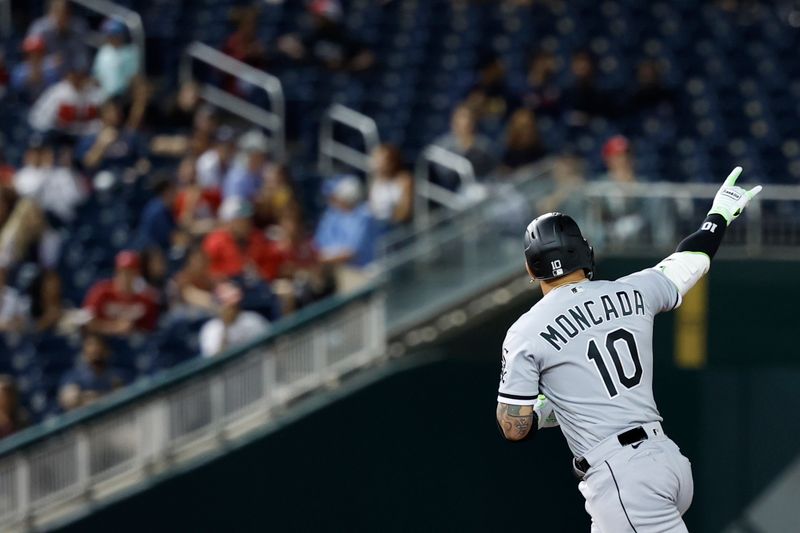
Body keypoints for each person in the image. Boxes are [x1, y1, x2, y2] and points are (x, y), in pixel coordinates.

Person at [495, 168, 762, 531]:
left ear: (531, 267)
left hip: (623, 478)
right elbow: (692, 260)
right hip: (664, 461)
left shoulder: (525, 331)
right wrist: (719, 216)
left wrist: (549, 409)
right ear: (586, 252)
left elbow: (514, 426)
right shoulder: (632, 291)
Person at [277, 0, 375, 72]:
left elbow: (367, 57)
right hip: (316, 80)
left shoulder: (346, 35)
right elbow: (291, 46)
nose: (315, 19)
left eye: (320, 17)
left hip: (341, 79)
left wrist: (345, 66)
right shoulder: (311, 34)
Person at [83, 250, 160, 336]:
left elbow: (149, 330)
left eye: (130, 272)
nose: (125, 277)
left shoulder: (146, 299)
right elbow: (87, 323)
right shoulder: (101, 292)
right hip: (104, 341)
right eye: (122, 272)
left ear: (137, 274)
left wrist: (132, 329)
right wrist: (115, 327)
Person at [202, 197, 280, 281]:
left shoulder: (257, 239)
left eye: (248, 219)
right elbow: (204, 270)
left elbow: (269, 266)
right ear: (230, 221)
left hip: (253, 286)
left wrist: (260, 274)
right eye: (240, 220)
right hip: (223, 286)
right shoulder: (216, 241)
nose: (246, 223)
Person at [28, 58, 104, 140]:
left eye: (81, 76)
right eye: (75, 75)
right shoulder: (58, 92)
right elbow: (39, 118)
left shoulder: (94, 93)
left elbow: (101, 120)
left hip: (82, 136)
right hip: (57, 134)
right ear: (69, 76)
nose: (78, 79)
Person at [199, 282, 269, 357]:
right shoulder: (211, 328)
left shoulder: (252, 320)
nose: (227, 308)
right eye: (222, 302)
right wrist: (225, 327)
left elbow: (268, 346)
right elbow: (213, 361)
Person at [58, 332, 124, 411]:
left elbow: (121, 399)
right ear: (84, 351)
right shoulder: (72, 376)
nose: (94, 349)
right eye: (90, 345)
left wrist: (88, 397)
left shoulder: (116, 375)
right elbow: (70, 402)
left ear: (106, 351)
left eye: (98, 345)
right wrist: (105, 396)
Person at [76, 99, 145, 172]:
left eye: (117, 111)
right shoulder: (91, 137)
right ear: (102, 114)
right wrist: (101, 144)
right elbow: (88, 164)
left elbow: (140, 158)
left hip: (127, 173)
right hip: (103, 175)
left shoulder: (128, 135)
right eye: (110, 112)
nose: (114, 115)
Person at [433, 104, 495, 181]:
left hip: (480, 184)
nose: (467, 122)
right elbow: (443, 173)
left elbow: (491, 168)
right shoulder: (443, 143)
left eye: (470, 118)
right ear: (454, 120)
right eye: (462, 117)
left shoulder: (483, 143)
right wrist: (462, 150)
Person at [26, 0, 89, 69]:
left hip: (69, 74)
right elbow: (31, 61)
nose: (60, 16)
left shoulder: (78, 28)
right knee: (21, 73)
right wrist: (50, 62)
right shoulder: (39, 28)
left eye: (64, 12)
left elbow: (82, 60)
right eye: (56, 11)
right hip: (44, 72)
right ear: (50, 12)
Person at [367, 144, 413, 231]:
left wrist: (387, 220)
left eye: (381, 161)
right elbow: (371, 205)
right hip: (375, 222)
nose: (378, 164)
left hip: (394, 226)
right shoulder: (376, 180)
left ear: (392, 161)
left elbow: (405, 212)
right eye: (377, 160)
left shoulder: (405, 179)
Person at [92, 18, 140, 99]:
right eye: (110, 35)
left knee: (141, 89)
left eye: (116, 35)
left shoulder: (131, 51)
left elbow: (133, 75)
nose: (113, 38)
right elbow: (96, 75)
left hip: (126, 94)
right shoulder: (103, 52)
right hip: (105, 95)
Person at [11, 34, 61, 103]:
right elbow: (15, 89)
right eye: (31, 53)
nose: (35, 56)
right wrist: (29, 79)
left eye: (38, 53)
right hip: (24, 106)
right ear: (26, 55)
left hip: (45, 104)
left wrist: (42, 76)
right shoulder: (19, 70)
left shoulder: (50, 69)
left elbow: (54, 90)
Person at [498, 108, 547, 174]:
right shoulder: (507, 154)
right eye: (522, 127)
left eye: (529, 126)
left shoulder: (541, 152)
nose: (527, 131)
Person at [134, 176, 176, 252]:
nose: (176, 192)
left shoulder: (153, 205)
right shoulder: (159, 210)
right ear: (167, 191)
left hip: (151, 250)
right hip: (152, 252)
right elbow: (169, 237)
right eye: (173, 189)